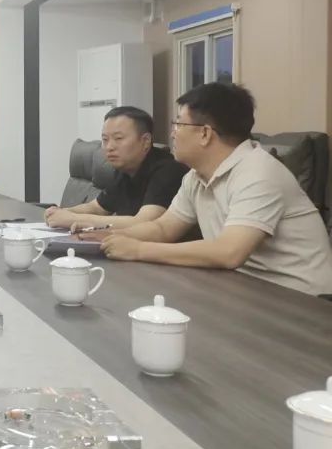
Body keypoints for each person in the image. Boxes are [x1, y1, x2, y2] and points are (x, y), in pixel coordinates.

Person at [88, 83, 332, 295]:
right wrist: (109, 237)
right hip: (244, 288)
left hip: (304, 300)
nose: (172, 134)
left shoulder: (258, 172)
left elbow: (229, 251)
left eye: (178, 124)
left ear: (205, 133)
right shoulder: (195, 177)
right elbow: (163, 228)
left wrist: (139, 249)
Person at [45, 106, 188, 231]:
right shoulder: (125, 170)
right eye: (105, 140)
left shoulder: (168, 171)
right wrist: (62, 212)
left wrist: (73, 219)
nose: (109, 147)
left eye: (118, 138)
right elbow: (97, 208)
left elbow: (143, 223)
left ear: (145, 141)